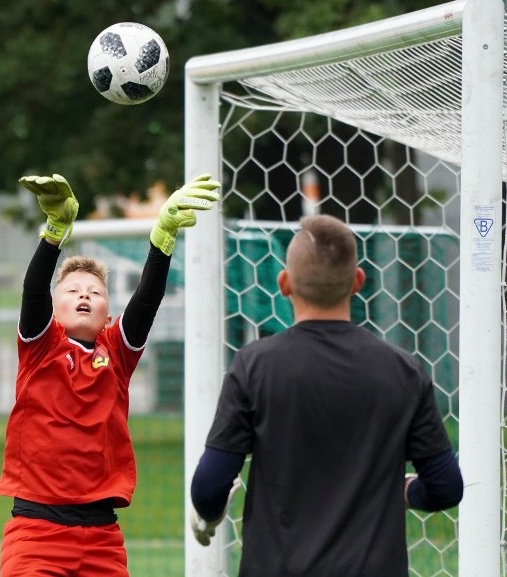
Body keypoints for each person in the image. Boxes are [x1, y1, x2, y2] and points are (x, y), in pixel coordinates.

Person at [189, 214, 464, 576]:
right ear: (358, 281)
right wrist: (408, 490)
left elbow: (210, 485)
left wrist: (208, 514)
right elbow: (445, 487)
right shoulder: (403, 371)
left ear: (284, 284)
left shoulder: (254, 366)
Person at [0, 172, 221, 576]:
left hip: (102, 539)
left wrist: (163, 238)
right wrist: (54, 234)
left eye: (95, 291)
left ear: (105, 313)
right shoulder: (40, 347)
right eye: (72, 290)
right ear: (54, 307)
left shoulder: (115, 352)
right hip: (37, 535)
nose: (84, 294)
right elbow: (33, 292)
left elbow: (147, 301)